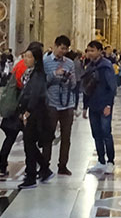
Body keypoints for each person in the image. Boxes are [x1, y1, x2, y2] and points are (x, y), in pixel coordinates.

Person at [17, 42, 54, 188]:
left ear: (36, 59)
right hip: (31, 112)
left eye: (29, 57)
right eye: (25, 56)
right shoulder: (30, 73)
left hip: (35, 114)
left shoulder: (38, 75)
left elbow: (35, 95)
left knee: (29, 145)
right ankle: (45, 169)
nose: (25, 59)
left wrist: (27, 112)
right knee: (30, 143)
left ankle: (31, 176)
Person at [43, 35, 77, 176]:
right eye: (62, 48)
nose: (63, 51)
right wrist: (54, 74)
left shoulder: (69, 63)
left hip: (67, 103)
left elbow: (74, 85)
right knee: (48, 135)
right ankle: (45, 165)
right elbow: (43, 82)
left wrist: (70, 78)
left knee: (66, 136)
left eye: (66, 49)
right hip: (51, 103)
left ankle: (63, 165)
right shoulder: (45, 62)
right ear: (55, 46)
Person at [83, 39, 117, 174]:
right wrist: (85, 107)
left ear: (99, 51)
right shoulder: (89, 67)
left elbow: (112, 87)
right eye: (88, 50)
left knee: (106, 133)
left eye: (92, 50)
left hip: (104, 105)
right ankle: (101, 160)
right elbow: (86, 87)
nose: (90, 53)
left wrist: (109, 104)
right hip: (93, 105)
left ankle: (110, 161)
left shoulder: (106, 66)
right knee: (96, 133)